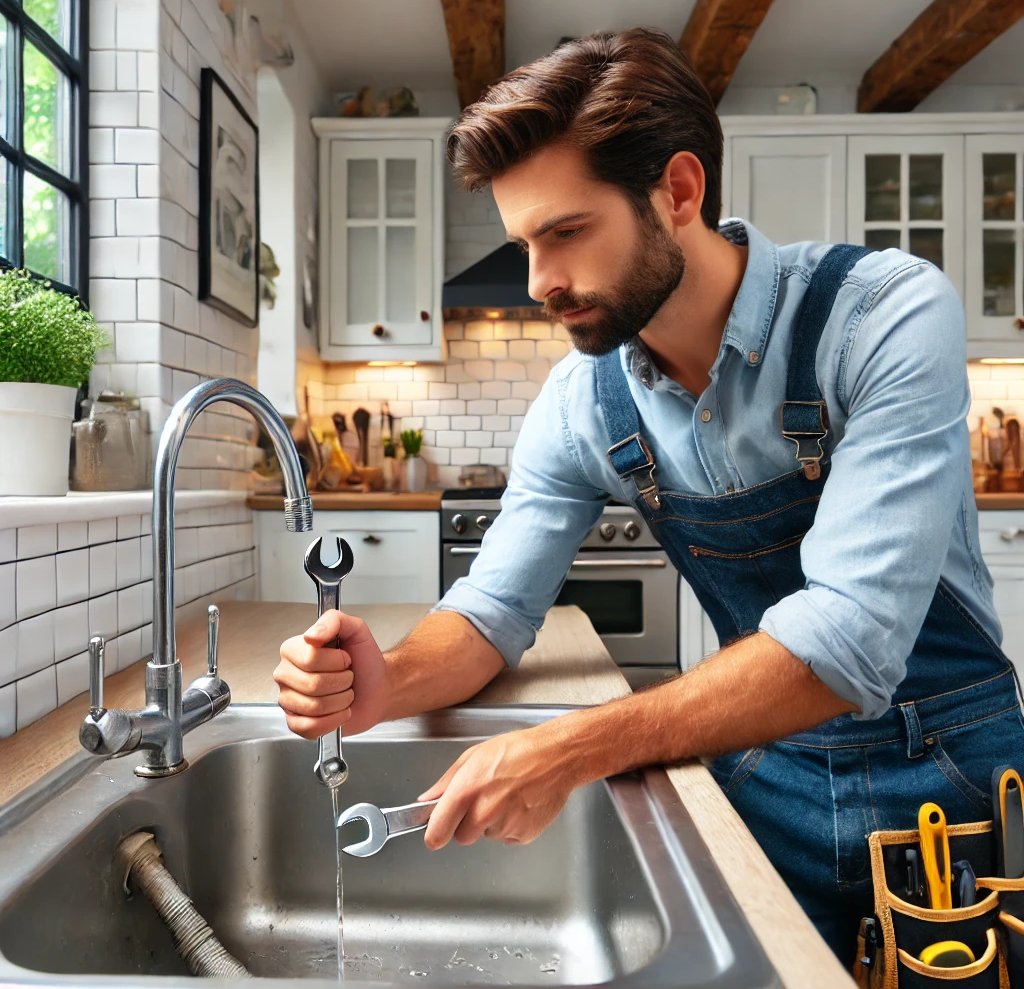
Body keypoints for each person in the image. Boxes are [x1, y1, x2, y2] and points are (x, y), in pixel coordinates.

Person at [275, 27, 1024, 963]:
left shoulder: (883, 314)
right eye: (524, 243)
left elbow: (850, 641)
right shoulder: (583, 402)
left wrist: (574, 744)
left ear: (677, 191)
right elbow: (492, 607)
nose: (541, 280)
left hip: (949, 788)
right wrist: (387, 681)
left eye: (567, 232)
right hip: (759, 771)